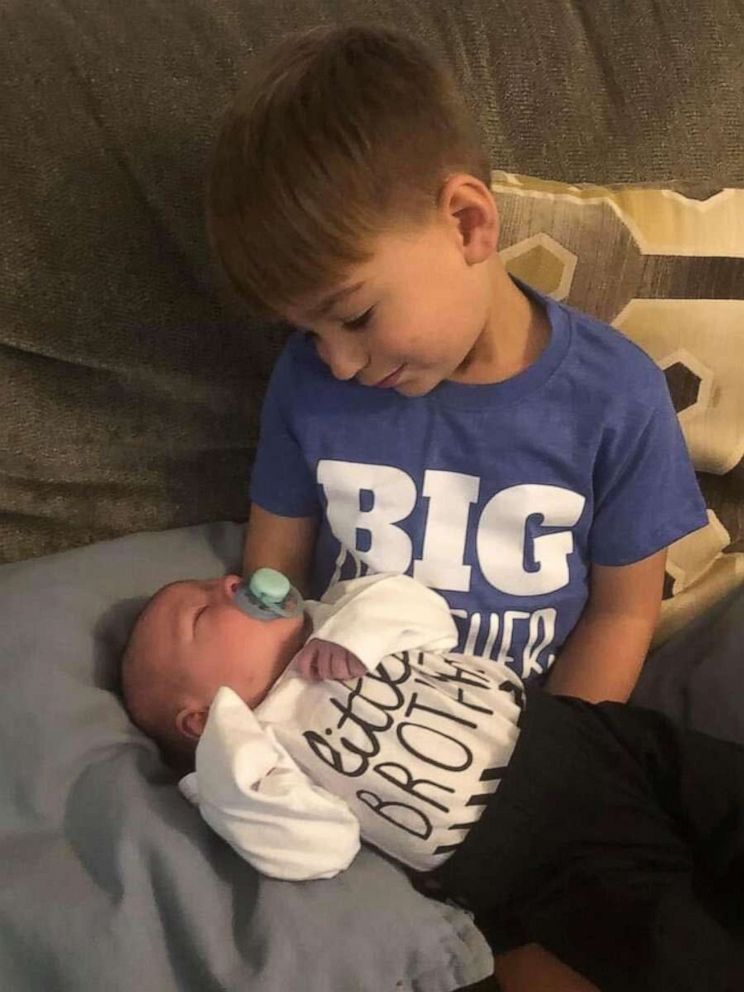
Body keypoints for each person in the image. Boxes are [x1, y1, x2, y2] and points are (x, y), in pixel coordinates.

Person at [205, 24, 708, 704]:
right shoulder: (307, 383)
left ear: (469, 223)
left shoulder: (617, 397)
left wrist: (552, 768)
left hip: (526, 739)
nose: (341, 362)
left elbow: (622, 614)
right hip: (333, 725)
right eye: (309, 331)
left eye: (355, 317)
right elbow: (276, 578)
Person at [121, 570, 744, 992]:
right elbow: (315, 848)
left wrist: (347, 633)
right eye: (203, 612)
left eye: (217, 582)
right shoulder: (267, 759)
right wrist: (229, 754)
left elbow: (421, 608)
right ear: (200, 717)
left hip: (581, 738)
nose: (230, 582)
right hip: (535, 859)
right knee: (671, 948)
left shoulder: (337, 614)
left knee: (718, 785)